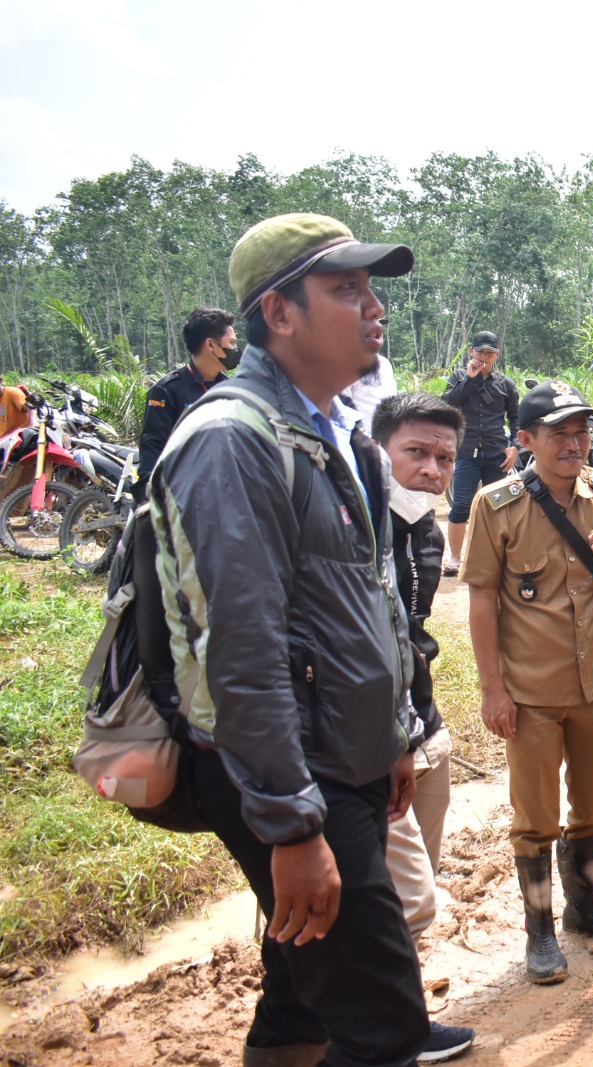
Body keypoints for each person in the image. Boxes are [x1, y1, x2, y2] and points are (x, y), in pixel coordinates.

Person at [149, 212, 442, 1067]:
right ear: (279, 313)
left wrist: (388, 737)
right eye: (345, 288)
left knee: (300, 987)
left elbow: (367, 599)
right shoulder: (230, 443)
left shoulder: (328, 429)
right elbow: (239, 650)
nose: (372, 306)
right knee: (384, 1023)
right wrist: (291, 827)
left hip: (339, 760)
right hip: (296, 774)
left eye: (371, 287)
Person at [461, 380, 593, 984]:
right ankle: (539, 932)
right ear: (526, 440)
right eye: (559, 433)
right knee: (535, 816)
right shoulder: (496, 505)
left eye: (583, 432)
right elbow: (481, 602)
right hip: (530, 693)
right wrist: (491, 690)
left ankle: (587, 907)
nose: (574, 443)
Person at [371, 391, 476, 1063]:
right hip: (371, 737)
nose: (432, 470)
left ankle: (398, 1010)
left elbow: (413, 633)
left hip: (421, 728)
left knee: (419, 880)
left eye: (444, 457)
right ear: (380, 449)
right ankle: (374, 1029)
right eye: (415, 452)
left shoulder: (428, 531)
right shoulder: (358, 522)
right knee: (395, 893)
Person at [134, 307, 237, 504]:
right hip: (183, 495)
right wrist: (152, 497)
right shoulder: (166, 390)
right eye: (232, 343)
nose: (236, 350)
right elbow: (153, 446)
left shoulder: (230, 389)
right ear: (210, 345)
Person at [441, 331, 518, 576]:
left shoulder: (506, 384)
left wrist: (515, 446)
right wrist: (469, 380)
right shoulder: (459, 377)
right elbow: (447, 405)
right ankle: (454, 558)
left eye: (489, 352)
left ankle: (498, 557)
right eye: (480, 351)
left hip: (497, 454)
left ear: (497, 355)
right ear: (471, 351)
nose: (484, 356)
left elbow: (517, 419)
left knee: (499, 507)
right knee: (461, 505)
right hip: (466, 453)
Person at [347, 352, 398, 430]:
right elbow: (344, 410)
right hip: (361, 435)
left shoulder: (385, 364)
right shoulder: (347, 366)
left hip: (387, 434)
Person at [0, 371, 33, 438]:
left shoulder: (12, 392)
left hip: (22, 436)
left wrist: (33, 422)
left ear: (0, 380)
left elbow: (29, 407)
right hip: (4, 442)